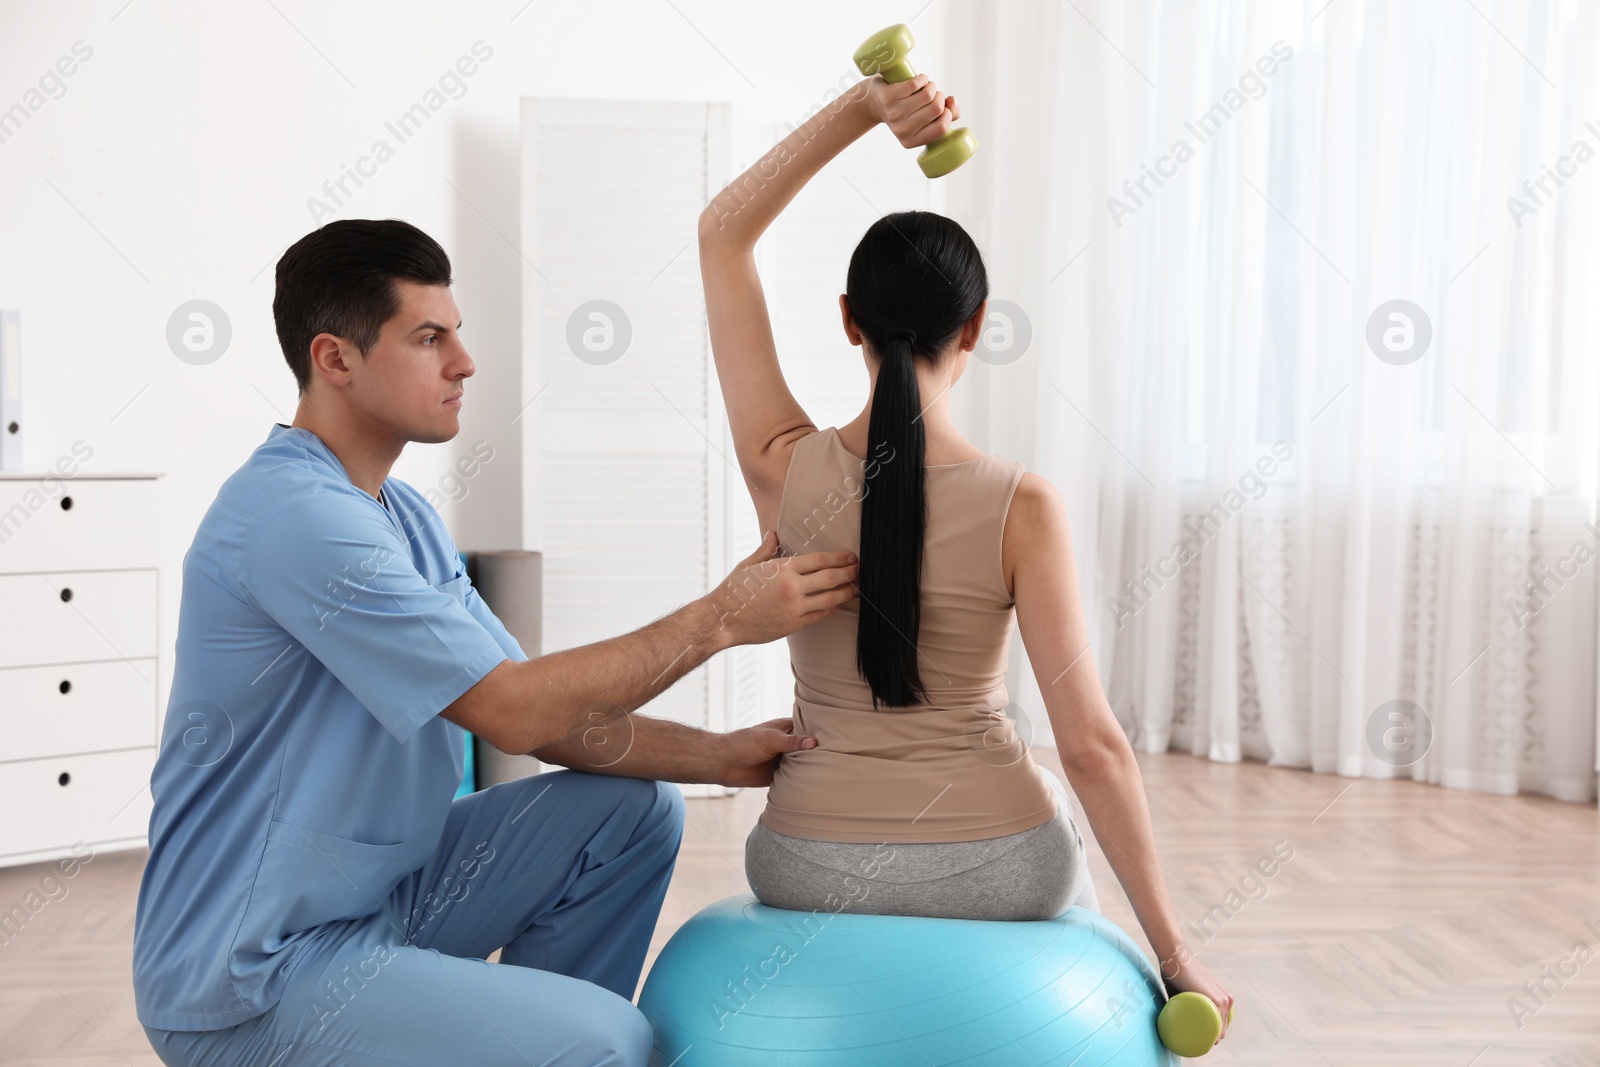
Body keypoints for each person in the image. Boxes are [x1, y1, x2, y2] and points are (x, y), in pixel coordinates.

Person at [131, 218, 861, 1067]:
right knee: (613, 1041)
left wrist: (722, 755)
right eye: (429, 338)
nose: (464, 363)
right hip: (254, 970)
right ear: (335, 360)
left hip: (378, 901)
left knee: (634, 812)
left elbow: (542, 713)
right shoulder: (295, 519)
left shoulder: (398, 515)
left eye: (457, 334)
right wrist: (720, 619)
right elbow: (511, 713)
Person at [696, 71, 1233, 1042]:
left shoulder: (784, 469)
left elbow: (722, 231)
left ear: (847, 319)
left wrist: (864, 109)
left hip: (806, 855)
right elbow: (1090, 746)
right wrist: (1173, 949)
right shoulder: (1023, 505)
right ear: (977, 327)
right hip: (1000, 861)